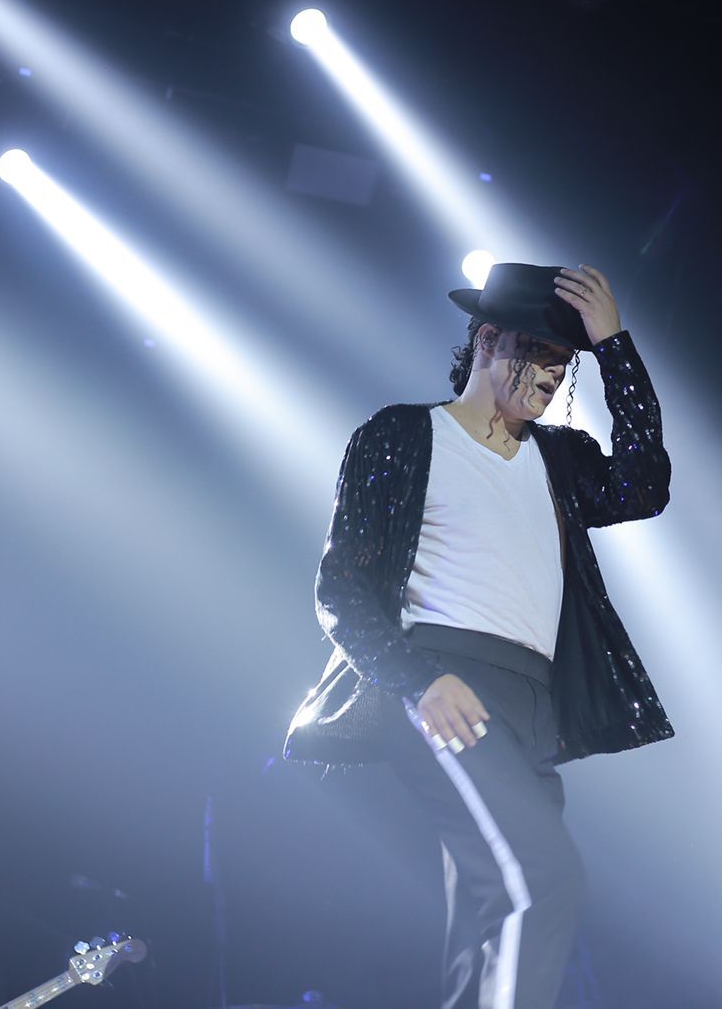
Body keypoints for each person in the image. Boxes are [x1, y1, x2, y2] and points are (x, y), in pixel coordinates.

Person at [285, 262, 674, 1009]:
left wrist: (614, 347)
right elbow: (341, 590)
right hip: (446, 687)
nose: (553, 375)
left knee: (494, 912)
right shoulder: (405, 435)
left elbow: (644, 484)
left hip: (533, 708)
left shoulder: (559, 459)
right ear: (489, 339)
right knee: (547, 880)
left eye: (565, 362)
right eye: (540, 353)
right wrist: (418, 680)